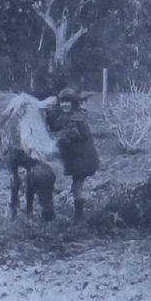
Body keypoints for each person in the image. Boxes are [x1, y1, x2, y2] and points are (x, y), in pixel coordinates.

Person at [51, 86, 100, 218]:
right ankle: (78, 217)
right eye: (62, 102)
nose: (64, 105)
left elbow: (68, 137)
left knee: (77, 187)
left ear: (74, 103)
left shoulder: (75, 119)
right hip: (82, 158)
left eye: (68, 102)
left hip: (82, 160)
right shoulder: (74, 115)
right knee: (76, 187)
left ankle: (79, 218)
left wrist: (52, 148)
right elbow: (59, 124)